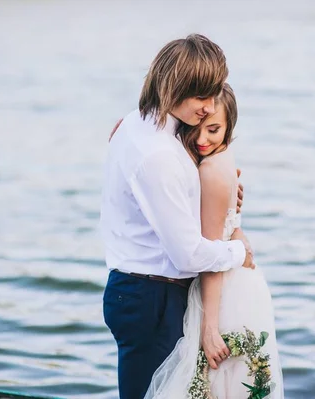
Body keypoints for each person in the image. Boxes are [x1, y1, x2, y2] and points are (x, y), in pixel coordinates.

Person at [101, 34, 255, 399]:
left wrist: (221, 198)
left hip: (143, 293)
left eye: (213, 93)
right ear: (174, 87)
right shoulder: (158, 156)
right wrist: (238, 252)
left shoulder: (133, 123)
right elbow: (187, 255)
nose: (209, 105)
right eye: (201, 96)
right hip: (153, 297)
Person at [144, 84, 284, 398]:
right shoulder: (216, 159)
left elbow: (211, 256)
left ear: (229, 126)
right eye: (196, 129)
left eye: (214, 130)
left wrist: (209, 328)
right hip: (240, 284)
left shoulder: (210, 170)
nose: (202, 139)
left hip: (224, 294)